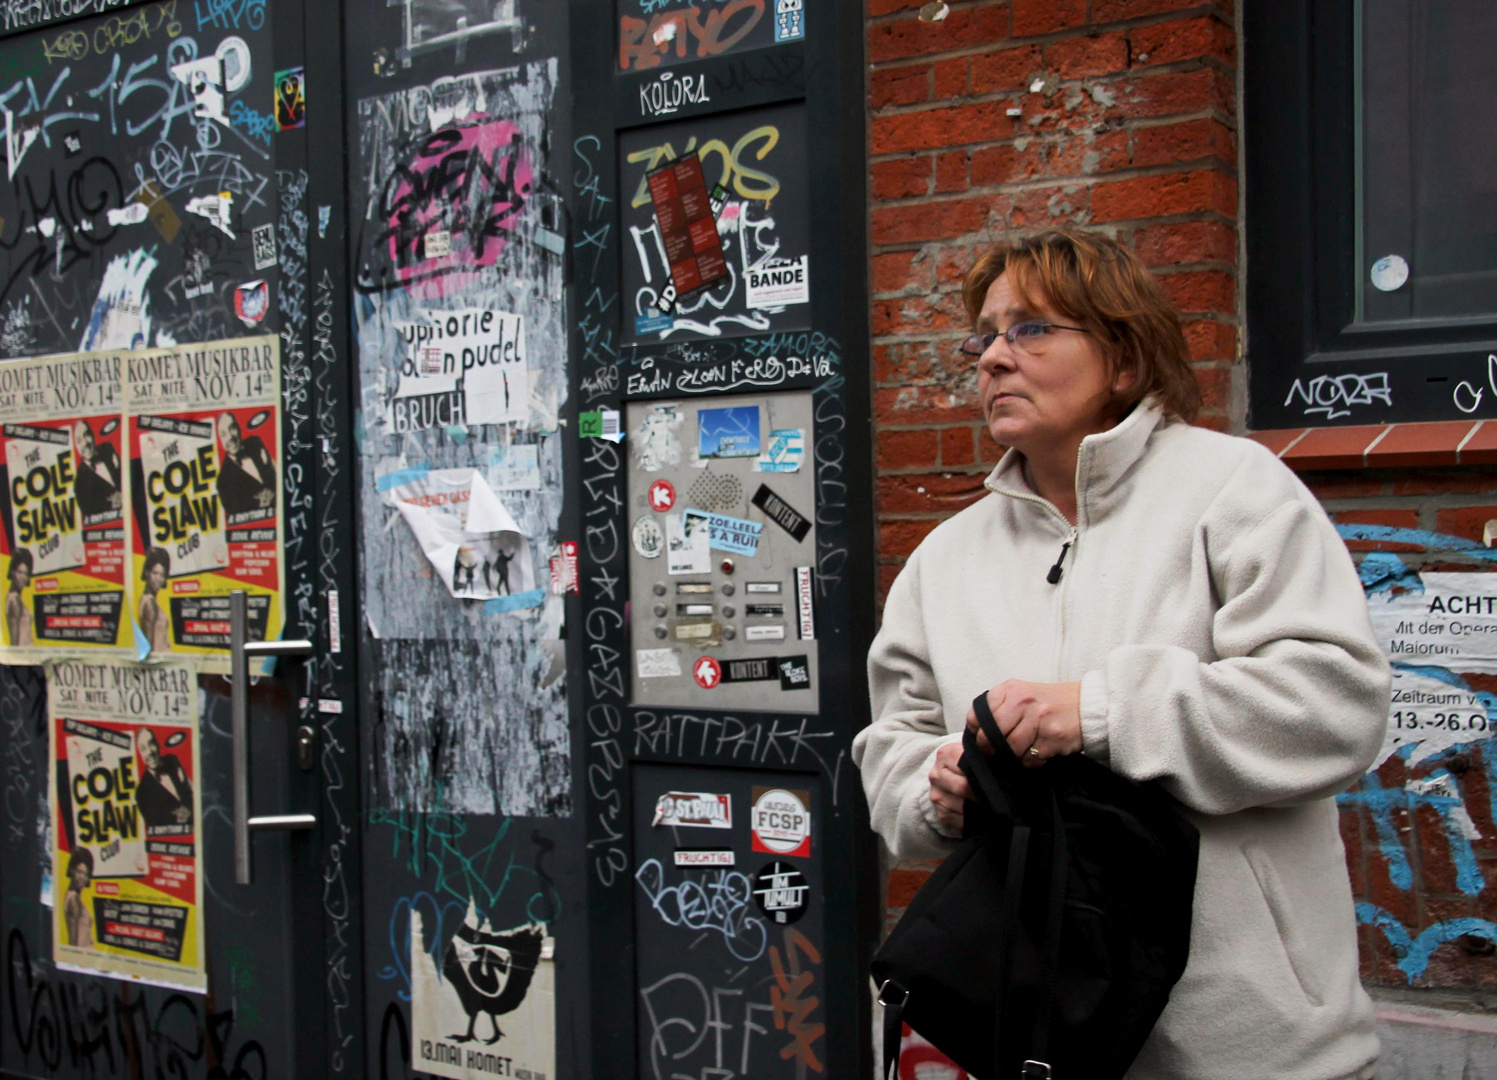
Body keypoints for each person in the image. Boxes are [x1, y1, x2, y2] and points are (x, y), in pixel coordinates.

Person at [856, 229, 1391, 1080]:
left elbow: (1335, 704)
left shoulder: (1234, 489)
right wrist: (939, 783)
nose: (993, 357)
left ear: (1124, 359)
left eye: (1030, 329)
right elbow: (891, 749)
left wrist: (1099, 714)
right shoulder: (944, 559)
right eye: (983, 335)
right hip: (1021, 1041)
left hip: (1250, 1049)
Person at [215, 413, 276, 517]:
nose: (230, 437)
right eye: (223, 434)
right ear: (219, 440)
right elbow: (239, 520)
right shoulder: (223, 483)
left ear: (239, 428)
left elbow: (277, 472)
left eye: (232, 428)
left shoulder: (256, 443)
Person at [134, 727, 193, 829]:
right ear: (139, 753)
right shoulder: (141, 793)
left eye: (151, 744)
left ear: (157, 744)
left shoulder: (172, 760)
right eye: (143, 748)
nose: (149, 752)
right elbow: (157, 829)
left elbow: (190, 790)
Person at [72, 419, 122, 520]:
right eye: (79, 440)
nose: (85, 443)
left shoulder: (108, 448)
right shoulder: (79, 484)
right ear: (75, 446)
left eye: (86, 435)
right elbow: (89, 511)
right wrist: (112, 504)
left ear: (93, 435)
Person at [137, 547, 171, 655]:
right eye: (155, 573)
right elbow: (148, 650)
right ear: (147, 573)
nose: (158, 579)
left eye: (162, 575)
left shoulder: (144, 600)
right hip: (160, 664)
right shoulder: (150, 604)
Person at [64, 848, 93, 947]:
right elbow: (74, 939)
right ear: (72, 871)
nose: (82, 878)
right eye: (79, 872)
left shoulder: (73, 897)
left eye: (85, 874)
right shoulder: (73, 898)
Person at [7, 547, 33, 647]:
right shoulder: (14, 601)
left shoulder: (15, 598)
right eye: (19, 572)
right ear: (12, 572)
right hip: (25, 659)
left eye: (26, 574)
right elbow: (14, 644)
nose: (23, 577)